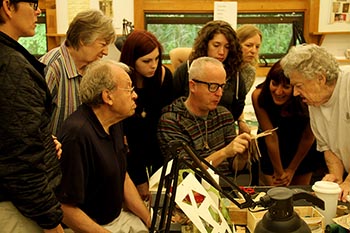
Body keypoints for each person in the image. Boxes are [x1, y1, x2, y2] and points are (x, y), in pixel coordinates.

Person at [56, 59, 151, 232]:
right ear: (108, 97)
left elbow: (122, 176)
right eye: (129, 88)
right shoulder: (77, 135)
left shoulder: (114, 122)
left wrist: (149, 219)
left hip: (116, 219)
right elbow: (64, 208)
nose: (135, 95)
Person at [0, 1, 64, 232]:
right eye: (33, 3)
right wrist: (51, 221)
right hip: (17, 207)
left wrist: (45, 142)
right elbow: (19, 161)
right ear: (8, 6)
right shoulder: (12, 67)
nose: (38, 10)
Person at [158, 57, 251, 183]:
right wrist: (224, 152)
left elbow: (233, 167)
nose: (219, 93)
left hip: (226, 190)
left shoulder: (223, 115)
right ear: (193, 86)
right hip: (191, 194)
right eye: (213, 86)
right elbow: (185, 173)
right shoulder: (172, 121)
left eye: (222, 86)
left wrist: (242, 157)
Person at [280, 43, 350, 202]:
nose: (295, 93)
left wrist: (349, 182)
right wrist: (336, 179)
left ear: (320, 78)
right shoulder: (314, 104)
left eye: (299, 86)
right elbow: (328, 147)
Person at [40, 9, 116, 135]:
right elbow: (35, 123)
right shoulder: (52, 68)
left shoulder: (91, 68)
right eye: (103, 44)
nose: (106, 52)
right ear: (83, 39)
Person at [119, 29, 173, 200]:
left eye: (157, 58)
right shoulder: (121, 83)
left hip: (159, 151)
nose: (154, 65)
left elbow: (166, 125)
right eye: (147, 61)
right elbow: (128, 138)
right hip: (132, 155)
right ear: (131, 60)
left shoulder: (164, 76)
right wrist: (140, 179)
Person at [252, 60, 324, 186]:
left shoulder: (309, 99)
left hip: (302, 151)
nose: (279, 92)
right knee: (275, 193)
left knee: (299, 195)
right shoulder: (259, 96)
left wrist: (291, 169)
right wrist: (279, 172)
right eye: (274, 84)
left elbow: (308, 137)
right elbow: (271, 136)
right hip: (272, 151)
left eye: (286, 87)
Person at [172, 20, 250, 134]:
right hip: (187, 133)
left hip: (222, 134)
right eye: (216, 45)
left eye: (227, 47)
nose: (222, 52)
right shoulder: (186, 70)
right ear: (205, 44)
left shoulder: (236, 76)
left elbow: (238, 107)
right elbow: (173, 104)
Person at [236, 24, 262, 93]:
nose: (254, 51)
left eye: (257, 47)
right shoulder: (222, 66)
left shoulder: (250, 72)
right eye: (248, 45)